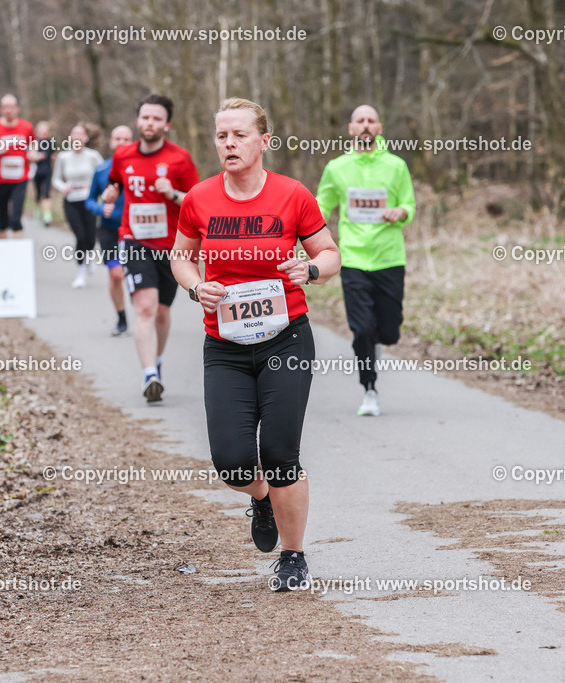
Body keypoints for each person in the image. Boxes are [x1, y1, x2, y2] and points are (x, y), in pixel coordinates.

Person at [172, 98, 341, 592]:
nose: (229, 143)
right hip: (225, 345)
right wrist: (195, 286)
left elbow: (330, 254)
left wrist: (310, 269)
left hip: (286, 340)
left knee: (282, 452)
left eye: (239, 135)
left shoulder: (292, 194)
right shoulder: (199, 198)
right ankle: (261, 498)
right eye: (222, 135)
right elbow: (181, 257)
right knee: (232, 461)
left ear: (264, 141)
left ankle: (293, 557)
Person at [315, 104, 415, 417]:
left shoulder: (396, 166)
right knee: (362, 329)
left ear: (380, 128)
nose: (366, 125)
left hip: (389, 257)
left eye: (371, 120)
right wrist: (305, 229)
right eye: (360, 120)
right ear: (351, 129)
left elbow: (409, 204)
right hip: (354, 258)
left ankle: (378, 342)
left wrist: (400, 212)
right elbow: (322, 205)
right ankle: (369, 388)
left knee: (389, 331)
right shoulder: (337, 168)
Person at [101, 94, 200, 403]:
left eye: (157, 118)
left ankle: (156, 361)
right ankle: (149, 375)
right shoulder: (123, 155)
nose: (150, 123)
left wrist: (172, 194)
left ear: (166, 125)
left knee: (162, 311)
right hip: (134, 240)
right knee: (145, 306)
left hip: (171, 246)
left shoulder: (180, 158)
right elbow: (114, 184)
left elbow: (196, 202)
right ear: (137, 121)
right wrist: (108, 195)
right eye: (145, 117)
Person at [86, 124, 133, 336]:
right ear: (111, 142)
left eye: (126, 139)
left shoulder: (140, 169)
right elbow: (89, 200)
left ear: (132, 142)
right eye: (117, 139)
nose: (121, 143)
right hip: (109, 230)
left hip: (135, 232)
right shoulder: (101, 170)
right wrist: (100, 208)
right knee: (116, 275)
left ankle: (144, 310)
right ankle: (121, 318)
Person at [52, 123, 104, 288]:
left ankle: (88, 256)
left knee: (90, 237)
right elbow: (55, 179)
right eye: (74, 134)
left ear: (86, 138)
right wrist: (63, 187)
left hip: (89, 201)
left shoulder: (93, 156)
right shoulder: (63, 157)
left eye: (80, 134)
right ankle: (80, 273)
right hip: (71, 201)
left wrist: (96, 188)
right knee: (80, 236)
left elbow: (104, 174)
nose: (77, 137)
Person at [0, 94, 35, 238]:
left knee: (16, 219)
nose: (8, 110)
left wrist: (33, 153)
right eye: (5, 107)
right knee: (2, 219)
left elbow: (33, 144)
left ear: (17, 109)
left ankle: (18, 247)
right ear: (1, 109)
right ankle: (2, 245)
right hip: (0, 178)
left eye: (11, 107)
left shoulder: (27, 127)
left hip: (20, 177)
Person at [31, 121, 54, 225]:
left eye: (46, 132)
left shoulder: (51, 142)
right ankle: (37, 210)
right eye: (42, 131)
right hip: (37, 172)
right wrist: (37, 156)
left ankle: (47, 215)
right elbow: (32, 156)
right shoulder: (35, 142)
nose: (44, 134)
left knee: (47, 193)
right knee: (38, 194)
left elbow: (51, 154)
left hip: (47, 172)